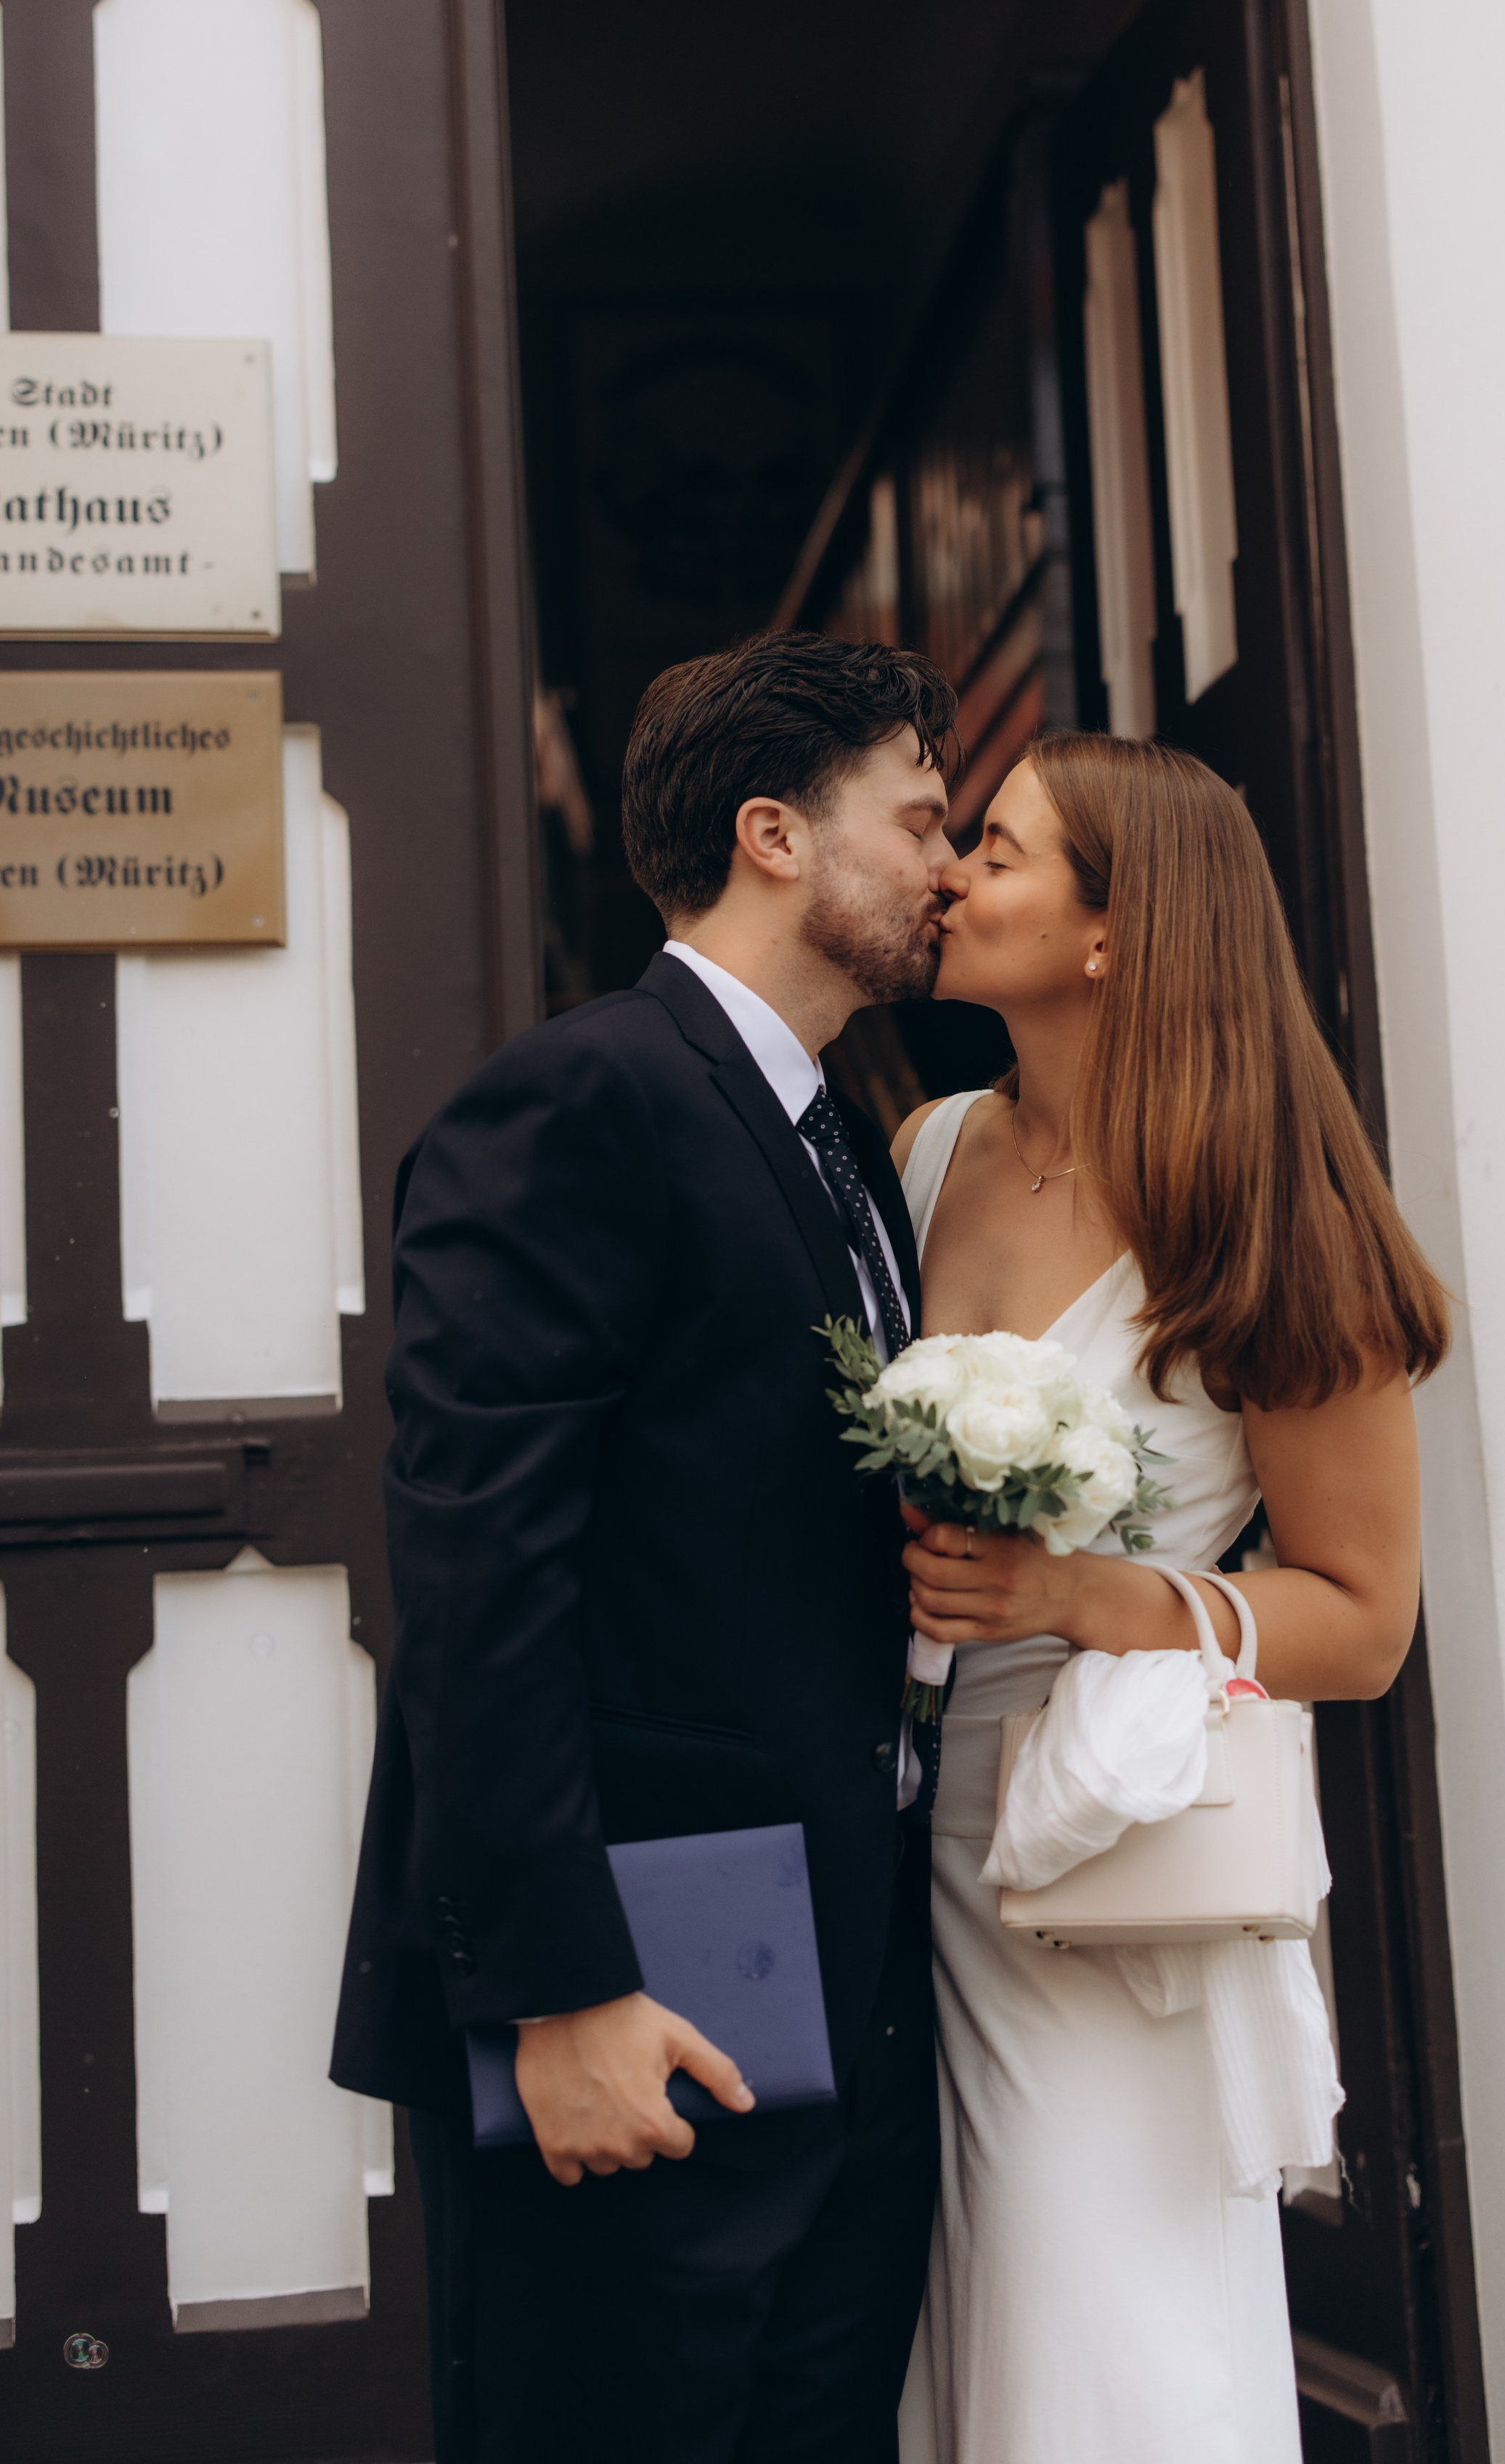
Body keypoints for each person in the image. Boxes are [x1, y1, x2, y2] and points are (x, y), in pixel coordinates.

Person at [330, 632, 959, 2464]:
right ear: (775, 833)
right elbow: (474, 1574)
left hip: (843, 1994)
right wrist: (560, 1988)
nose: (944, 864)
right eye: (916, 819)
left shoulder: (844, 1131)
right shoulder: (579, 1100)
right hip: (640, 1999)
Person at [890, 733, 1451, 2464]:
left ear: (1110, 936)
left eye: (997, 850)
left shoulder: (1256, 1214)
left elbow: (1363, 1617)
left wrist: (1085, 1590)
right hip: (884, 1841)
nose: (950, 877)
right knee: (922, 2338)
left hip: (1093, 1860)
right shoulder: (923, 1148)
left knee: (1092, 2342)